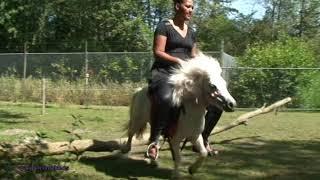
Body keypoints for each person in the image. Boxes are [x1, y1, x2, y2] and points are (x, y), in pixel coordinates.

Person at [146, 0, 222, 159]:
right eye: (188, 6)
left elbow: (193, 55)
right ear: (177, 6)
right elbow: (158, 52)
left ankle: (203, 138)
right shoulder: (164, 26)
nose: (191, 10)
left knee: (216, 102)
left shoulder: (192, 31)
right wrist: (178, 61)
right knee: (166, 98)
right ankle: (154, 141)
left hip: (186, 75)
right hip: (164, 73)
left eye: (192, 7)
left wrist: (205, 64)